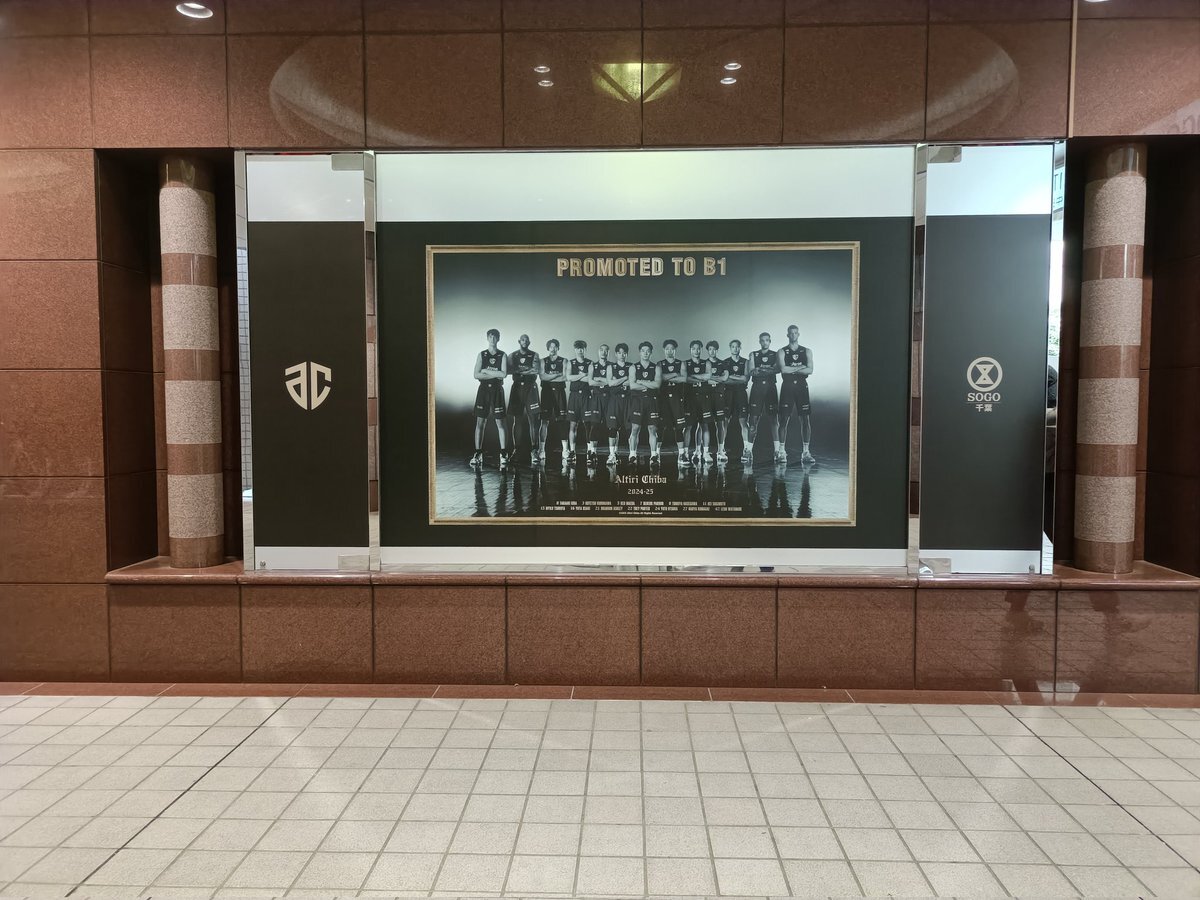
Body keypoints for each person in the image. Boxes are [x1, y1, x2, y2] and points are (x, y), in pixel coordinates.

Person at [470, 328, 509, 467]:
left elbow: (504, 374)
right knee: (480, 422)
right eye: (490, 336)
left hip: (497, 390)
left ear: (498, 339)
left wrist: (486, 370)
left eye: (495, 337)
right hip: (484, 390)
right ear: (487, 338)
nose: (492, 339)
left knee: (500, 423)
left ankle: (503, 453)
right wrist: (495, 374)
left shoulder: (502, 355)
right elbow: (476, 375)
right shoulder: (482, 354)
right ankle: (478, 453)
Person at [778, 323, 815, 465]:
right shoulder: (782, 351)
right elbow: (783, 369)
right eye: (791, 333)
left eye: (795, 333)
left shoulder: (807, 351)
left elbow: (810, 370)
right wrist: (801, 367)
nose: (793, 335)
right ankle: (781, 452)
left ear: (798, 334)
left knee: (805, 419)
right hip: (787, 387)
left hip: (801, 387)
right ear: (787, 335)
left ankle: (806, 452)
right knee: (783, 419)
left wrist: (792, 369)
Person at [507, 333, 541, 463]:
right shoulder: (512, 355)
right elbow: (508, 370)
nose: (524, 341)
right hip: (517, 388)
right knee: (517, 420)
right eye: (522, 340)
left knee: (534, 420)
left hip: (530, 388)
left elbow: (535, 370)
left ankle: (534, 450)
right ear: (519, 341)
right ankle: (516, 450)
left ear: (529, 342)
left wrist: (519, 370)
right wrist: (526, 369)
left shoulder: (534, 355)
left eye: (526, 340)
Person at [748, 331, 781, 463]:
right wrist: (768, 369)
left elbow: (777, 369)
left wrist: (760, 369)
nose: (765, 342)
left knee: (774, 420)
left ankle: (777, 451)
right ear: (759, 341)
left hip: (770, 388)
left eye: (767, 340)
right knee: (753, 420)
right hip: (757, 389)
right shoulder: (753, 354)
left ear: (770, 341)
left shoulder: (775, 354)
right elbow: (752, 371)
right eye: (762, 340)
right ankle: (748, 451)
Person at [628, 341, 662, 463]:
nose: (645, 353)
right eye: (643, 351)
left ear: (651, 352)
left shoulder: (656, 367)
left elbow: (657, 385)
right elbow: (632, 385)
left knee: (652, 428)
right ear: (640, 352)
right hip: (637, 401)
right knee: (635, 428)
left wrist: (641, 381)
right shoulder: (633, 367)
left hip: (652, 401)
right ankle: (632, 455)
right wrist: (649, 384)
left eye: (648, 351)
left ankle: (653, 456)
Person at [684, 339, 714, 466]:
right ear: (690, 350)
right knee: (688, 426)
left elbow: (708, 377)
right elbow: (685, 378)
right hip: (690, 398)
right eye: (693, 349)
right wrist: (701, 377)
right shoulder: (685, 363)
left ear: (701, 350)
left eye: (698, 349)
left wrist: (693, 377)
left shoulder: (706, 363)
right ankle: (685, 453)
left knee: (704, 425)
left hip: (703, 398)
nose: (696, 351)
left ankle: (704, 452)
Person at [537, 338, 567, 463]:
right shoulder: (543, 361)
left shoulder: (564, 360)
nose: (553, 349)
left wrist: (550, 377)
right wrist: (556, 375)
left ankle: (565, 450)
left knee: (562, 421)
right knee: (544, 421)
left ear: (558, 348)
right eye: (551, 347)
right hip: (547, 392)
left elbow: (565, 377)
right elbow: (542, 377)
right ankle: (541, 450)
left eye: (555, 347)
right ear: (548, 348)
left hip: (560, 392)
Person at [658, 339, 688, 460]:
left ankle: (681, 454)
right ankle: (656, 454)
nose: (669, 351)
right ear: (664, 350)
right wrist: (676, 374)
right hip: (663, 398)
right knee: (661, 427)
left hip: (677, 398)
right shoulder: (660, 364)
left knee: (679, 427)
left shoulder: (681, 363)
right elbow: (660, 378)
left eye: (672, 349)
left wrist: (667, 377)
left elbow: (684, 379)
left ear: (675, 350)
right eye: (667, 349)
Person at [723, 339, 752, 464]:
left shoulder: (746, 362)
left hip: (741, 393)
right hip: (728, 393)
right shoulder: (725, 362)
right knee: (724, 421)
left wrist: (731, 377)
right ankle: (721, 449)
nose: (735, 349)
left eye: (737, 347)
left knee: (743, 422)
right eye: (733, 347)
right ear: (730, 348)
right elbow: (724, 379)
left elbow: (746, 379)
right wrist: (738, 378)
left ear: (740, 348)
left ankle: (747, 449)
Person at [585, 343, 613, 466]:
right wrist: (605, 381)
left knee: (612, 426)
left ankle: (613, 453)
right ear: (598, 351)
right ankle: (592, 452)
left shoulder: (612, 366)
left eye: (606, 350)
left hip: (610, 398)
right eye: (601, 350)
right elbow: (590, 382)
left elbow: (611, 383)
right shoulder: (593, 365)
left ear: (608, 352)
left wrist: (599, 379)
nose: (603, 352)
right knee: (594, 425)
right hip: (596, 398)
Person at [565, 339, 592, 466]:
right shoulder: (571, 362)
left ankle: (589, 451)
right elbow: (568, 377)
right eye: (578, 348)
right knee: (573, 425)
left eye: (582, 348)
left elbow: (590, 379)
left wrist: (579, 376)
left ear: (585, 349)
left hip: (586, 396)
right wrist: (583, 375)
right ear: (575, 350)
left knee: (588, 425)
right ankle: (572, 451)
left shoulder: (590, 363)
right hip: (574, 396)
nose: (580, 350)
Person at [606, 343, 632, 465]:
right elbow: (610, 383)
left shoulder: (631, 366)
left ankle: (632, 455)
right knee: (613, 428)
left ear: (627, 354)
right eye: (620, 353)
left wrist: (617, 381)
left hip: (628, 400)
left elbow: (633, 382)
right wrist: (625, 378)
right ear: (616, 354)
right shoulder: (611, 367)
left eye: (624, 353)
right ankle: (612, 454)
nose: (622, 355)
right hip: (615, 400)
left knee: (630, 428)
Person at [705, 340, 730, 464]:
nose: (712, 351)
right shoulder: (704, 363)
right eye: (710, 349)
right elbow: (705, 379)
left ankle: (721, 450)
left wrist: (712, 378)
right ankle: (704, 452)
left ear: (717, 350)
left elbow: (725, 377)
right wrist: (716, 379)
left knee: (720, 423)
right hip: (706, 396)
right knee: (704, 424)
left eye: (714, 349)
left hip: (719, 395)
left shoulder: (723, 363)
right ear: (707, 351)